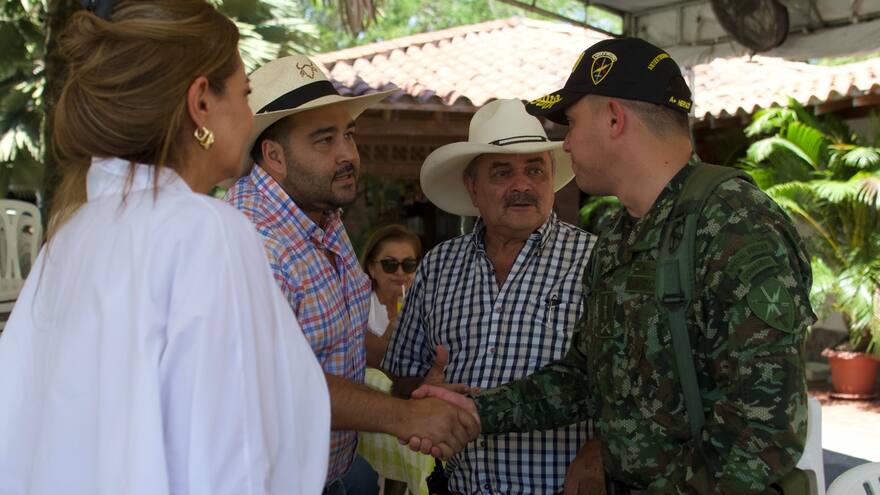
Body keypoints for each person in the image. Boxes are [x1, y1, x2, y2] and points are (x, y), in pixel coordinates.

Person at [415, 38, 816, 495]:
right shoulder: (619, 236)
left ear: (613, 118)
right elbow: (587, 379)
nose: (566, 142)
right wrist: (478, 412)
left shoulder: (736, 225)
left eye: (571, 122)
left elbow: (764, 433)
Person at [0, 2, 331, 494]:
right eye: (244, 94)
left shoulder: (69, 236)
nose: (250, 116)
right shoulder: (206, 231)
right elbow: (233, 461)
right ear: (201, 103)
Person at [225, 55, 479, 494]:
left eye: (349, 135)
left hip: (330, 471)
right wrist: (406, 416)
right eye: (325, 140)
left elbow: (332, 336)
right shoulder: (254, 242)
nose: (348, 154)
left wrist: (409, 380)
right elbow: (278, 383)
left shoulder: (322, 215)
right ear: (274, 156)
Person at [382, 99, 596, 494]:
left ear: (551, 178)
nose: (522, 185)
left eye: (535, 170)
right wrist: (424, 390)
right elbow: (401, 377)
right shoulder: (438, 266)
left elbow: (635, 385)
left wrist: (600, 451)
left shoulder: (595, 260)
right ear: (473, 188)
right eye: (502, 172)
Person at [359, 224, 423, 367]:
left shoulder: (427, 307)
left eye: (408, 264)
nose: (400, 272)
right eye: (389, 264)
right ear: (371, 268)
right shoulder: (358, 308)